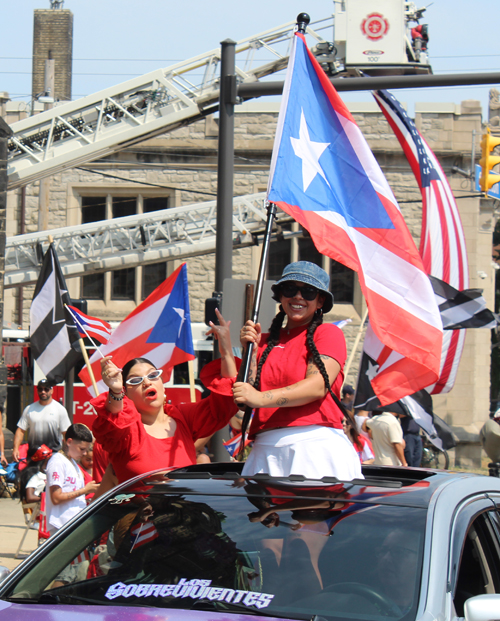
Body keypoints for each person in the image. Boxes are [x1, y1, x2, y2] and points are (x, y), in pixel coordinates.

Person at [233, 261, 361, 480]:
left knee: (309, 514)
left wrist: (260, 398)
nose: (298, 297)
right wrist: (249, 352)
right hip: (264, 447)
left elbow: (317, 386)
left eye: (309, 291)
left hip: (313, 445)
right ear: (281, 296)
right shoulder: (263, 342)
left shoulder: (328, 333)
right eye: (290, 289)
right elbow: (244, 400)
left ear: (320, 300)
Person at [91, 309, 239, 483]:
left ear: (163, 386)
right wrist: (115, 390)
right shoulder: (127, 432)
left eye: (153, 376)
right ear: (127, 394)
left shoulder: (183, 417)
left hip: (183, 508)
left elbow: (225, 403)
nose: (147, 383)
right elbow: (113, 422)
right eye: (136, 380)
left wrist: (227, 351)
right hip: (139, 510)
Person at [45, 423, 99, 536]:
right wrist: (85, 490)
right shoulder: (57, 462)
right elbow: (56, 498)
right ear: (69, 442)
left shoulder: (73, 463)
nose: (84, 453)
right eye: (82, 449)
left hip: (73, 523)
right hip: (62, 525)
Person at [12, 379, 71, 461]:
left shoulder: (60, 410)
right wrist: (15, 449)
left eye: (46, 389)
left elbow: (66, 434)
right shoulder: (29, 409)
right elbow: (20, 430)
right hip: (33, 456)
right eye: (40, 389)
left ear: (52, 390)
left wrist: (66, 453)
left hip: (53, 456)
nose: (43, 392)